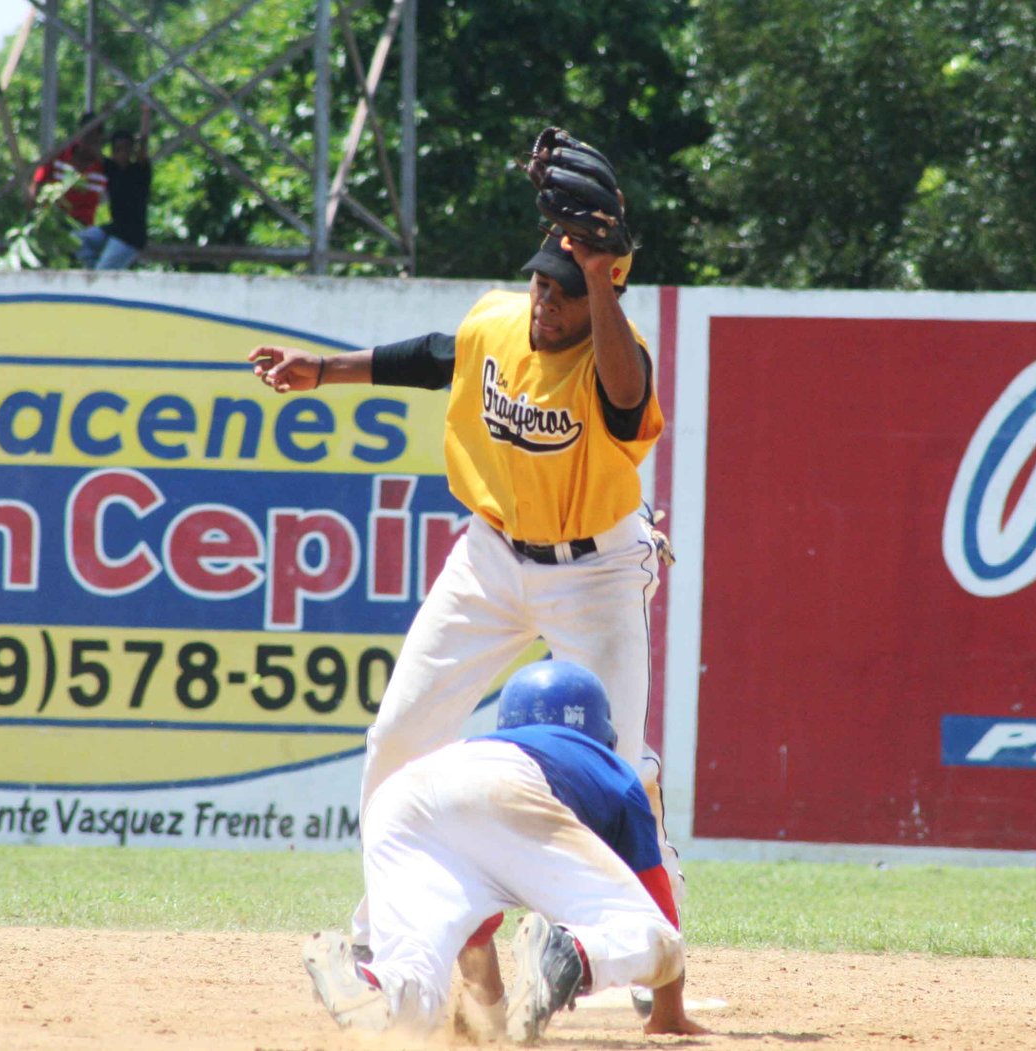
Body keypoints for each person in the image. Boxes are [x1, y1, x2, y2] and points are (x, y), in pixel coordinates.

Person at [249, 220, 700, 1034]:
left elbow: (630, 401)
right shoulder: (502, 318)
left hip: (596, 572)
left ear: (601, 295)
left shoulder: (612, 361)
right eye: (541, 284)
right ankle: (385, 943)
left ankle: (640, 953)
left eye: (563, 293)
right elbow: (434, 356)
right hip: (490, 555)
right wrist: (327, 372)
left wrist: (598, 281)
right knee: (395, 737)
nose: (543, 303)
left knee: (621, 769)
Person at [302, 661, 688, 1042]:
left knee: (413, 978)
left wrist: (490, 1018)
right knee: (654, 936)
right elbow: (659, 912)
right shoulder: (610, 770)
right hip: (512, 784)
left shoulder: (486, 746)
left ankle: (374, 986)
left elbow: (474, 931)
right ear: (599, 729)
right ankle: (569, 955)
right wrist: (668, 1017)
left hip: (402, 794)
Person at [78, 106, 152, 270]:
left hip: (131, 235)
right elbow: (92, 144)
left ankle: (97, 278)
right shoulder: (111, 169)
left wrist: (146, 113)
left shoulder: (140, 171)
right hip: (115, 229)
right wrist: (102, 118)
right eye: (118, 150)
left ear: (132, 150)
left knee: (103, 272)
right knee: (79, 239)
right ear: (112, 151)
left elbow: (144, 142)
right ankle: (90, 270)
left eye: (126, 149)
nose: (122, 154)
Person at [29, 112, 106, 255]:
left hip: (83, 235)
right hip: (52, 230)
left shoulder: (103, 169)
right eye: (86, 137)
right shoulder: (59, 157)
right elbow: (35, 188)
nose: (89, 144)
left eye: (93, 139)